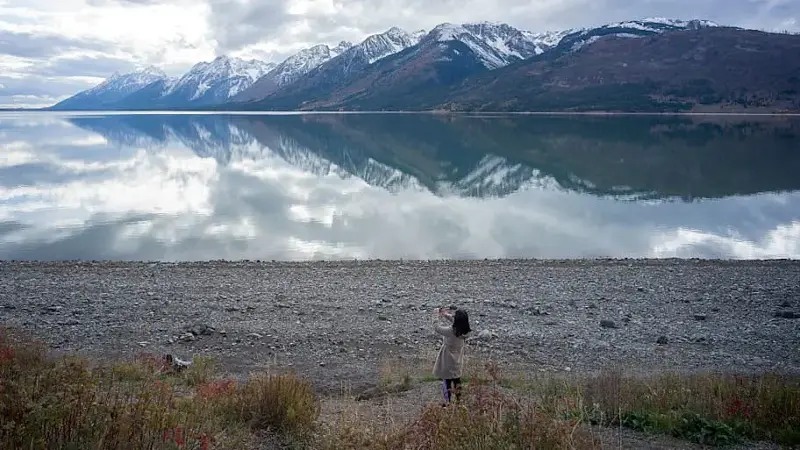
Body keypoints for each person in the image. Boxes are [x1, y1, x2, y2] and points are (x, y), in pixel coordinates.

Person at [432, 307, 471, 405]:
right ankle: (459, 401)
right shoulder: (466, 331)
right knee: (457, 379)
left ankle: (447, 402)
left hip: (447, 358)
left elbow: (437, 328)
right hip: (457, 357)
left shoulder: (451, 331)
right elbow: (457, 322)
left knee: (447, 379)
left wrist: (435, 315)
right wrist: (445, 315)